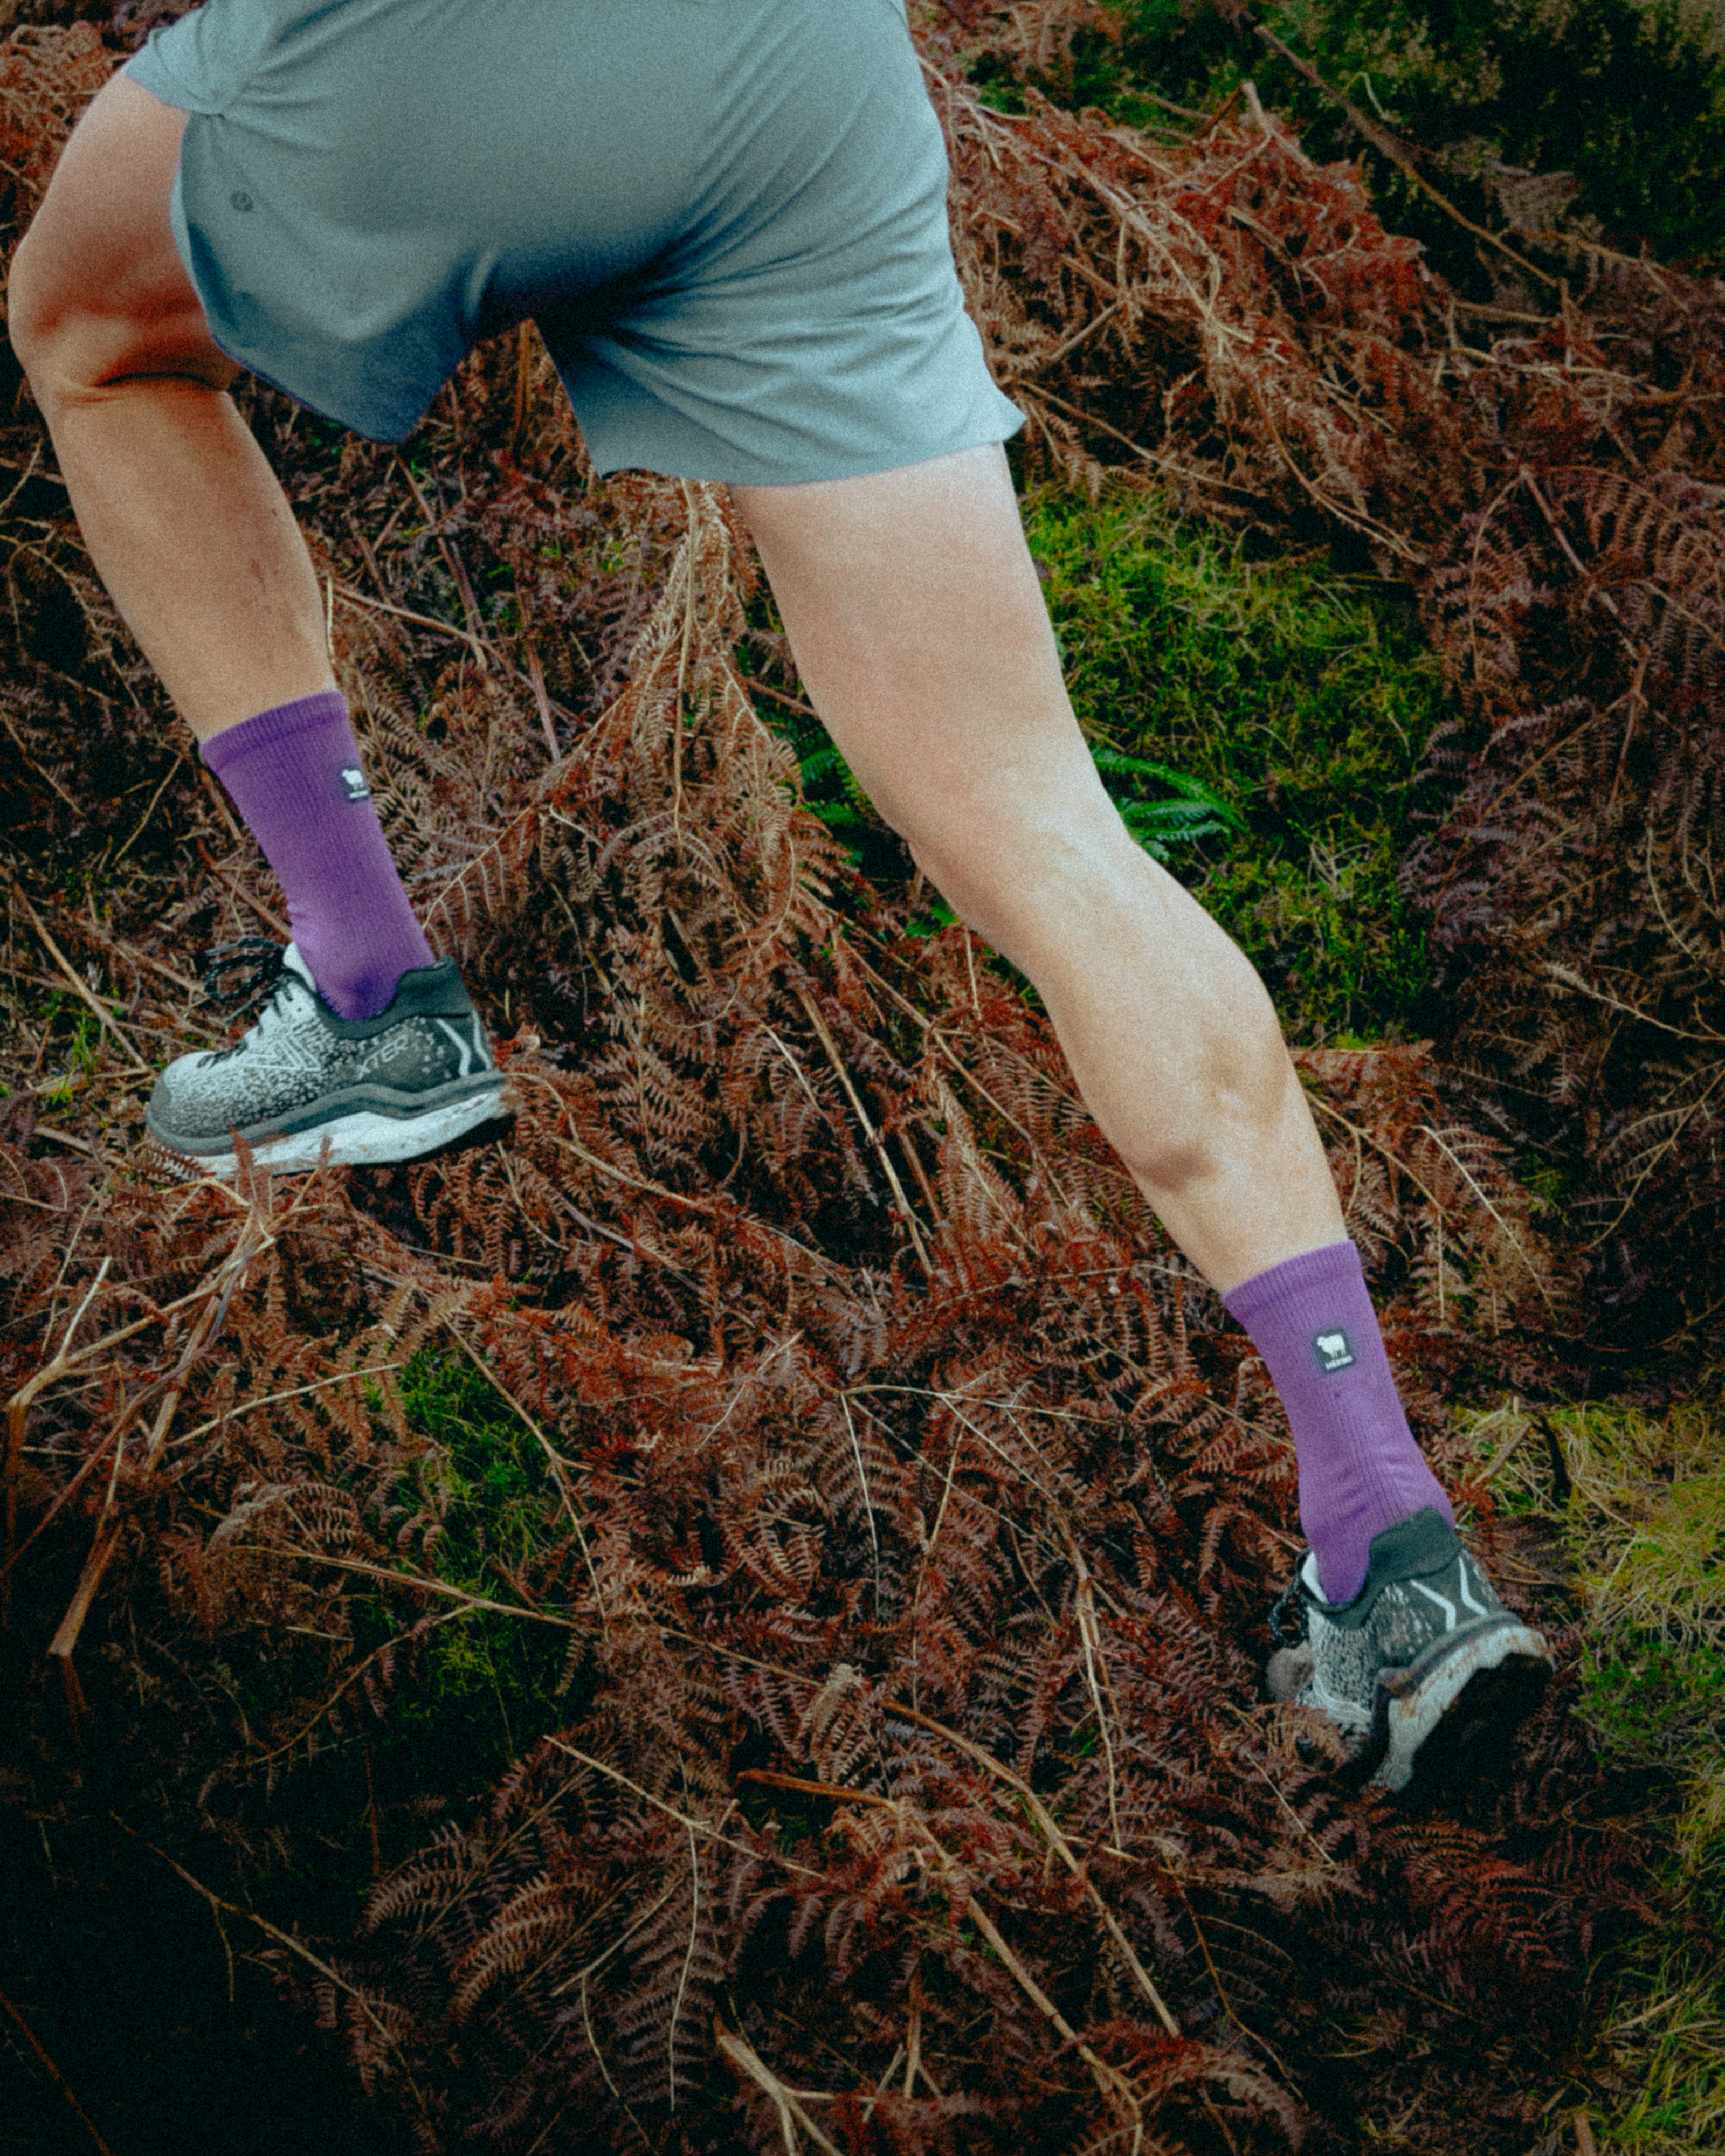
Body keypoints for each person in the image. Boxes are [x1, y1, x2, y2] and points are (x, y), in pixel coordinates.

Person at [5, 0, 1548, 1792]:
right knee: (1040, 815)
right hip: (809, 76)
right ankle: (1391, 1538)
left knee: (84, 319)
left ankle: (368, 993)